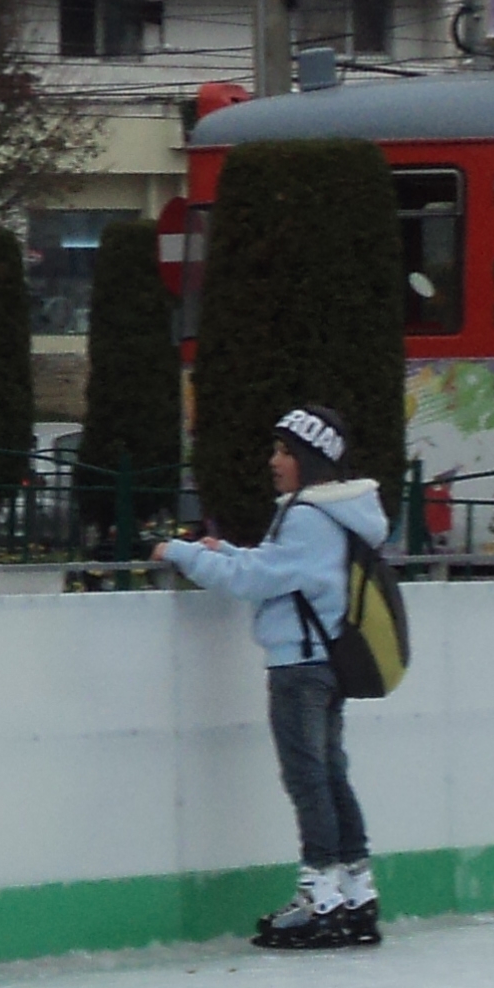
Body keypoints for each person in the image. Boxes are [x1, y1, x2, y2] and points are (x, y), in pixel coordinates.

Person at [154, 403, 390, 952]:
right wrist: (229, 551)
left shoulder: (306, 515)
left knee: (308, 780)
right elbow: (284, 569)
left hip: (298, 667)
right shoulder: (339, 513)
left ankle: (320, 898)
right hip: (328, 660)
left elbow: (258, 579)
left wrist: (183, 552)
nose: (273, 461)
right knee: (330, 776)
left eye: (284, 451)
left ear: (310, 458)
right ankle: (356, 893)